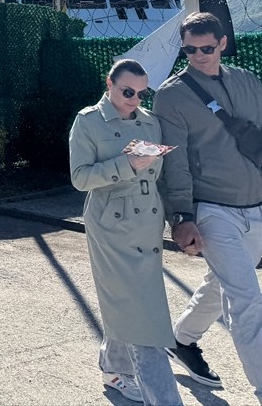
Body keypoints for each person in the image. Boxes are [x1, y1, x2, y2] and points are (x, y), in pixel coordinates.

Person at [154, 11, 262, 404]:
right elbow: (175, 161)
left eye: (206, 48)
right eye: (189, 49)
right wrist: (182, 216)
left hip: (253, 208)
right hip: (210, 209)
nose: (198, 55)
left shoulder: (247, 81)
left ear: (222, 44)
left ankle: (181, 339)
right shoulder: (171, 94)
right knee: (248, 302)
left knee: (222, 282)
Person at [69, 59, 182, 405]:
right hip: (111, 228)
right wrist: (126, 165)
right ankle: (164, 399)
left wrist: (177, 217)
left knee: (128, 304)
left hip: (148, 225)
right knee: (144, 317)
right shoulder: (88, 121)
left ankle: (114, 368)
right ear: (110, 84)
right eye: (127, 91)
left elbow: (162, 177)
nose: (134, 99)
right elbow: (80, 178)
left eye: (141, 92)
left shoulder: (150, 122)